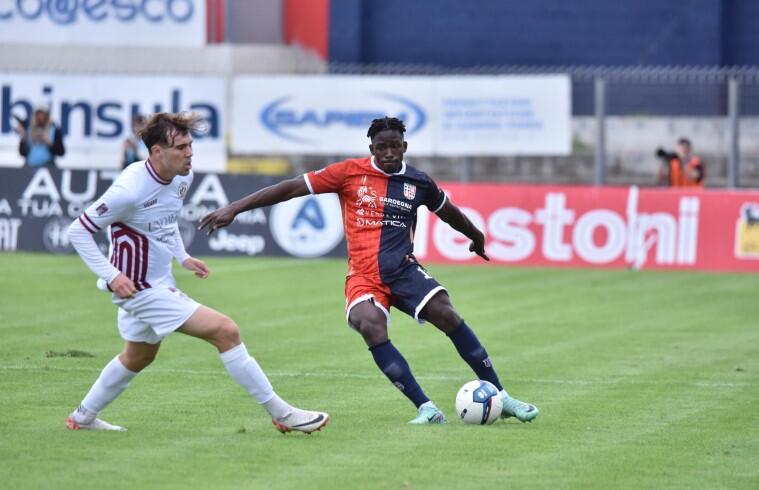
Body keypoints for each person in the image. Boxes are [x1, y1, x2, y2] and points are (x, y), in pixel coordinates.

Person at [199, 116, 539, 425]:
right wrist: (235, 207)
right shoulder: (348, 172)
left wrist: (476, 236)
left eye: (395, 146)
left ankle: (503, 397)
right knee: (369, 325)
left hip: (404, 271)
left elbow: (448, 212)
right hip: (364, 275)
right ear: (371, 148)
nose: (389, 152)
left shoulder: (418, 182)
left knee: (446, 313)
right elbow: (290, 188)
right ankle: (426, 408)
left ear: (404, 147)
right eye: (382, 147)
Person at [66, 112, 328, 434]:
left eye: (191, 145)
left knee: (138, 356)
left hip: (157, 281)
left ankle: (82, 417)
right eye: (181, 147)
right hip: (140, 288)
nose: (190, 153)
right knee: (226, 331)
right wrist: (111, 275)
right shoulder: (129, 189)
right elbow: (78, 231)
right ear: (156, 151)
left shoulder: (182, 177)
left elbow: (166, 219)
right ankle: (283, 413)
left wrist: (183, 256)